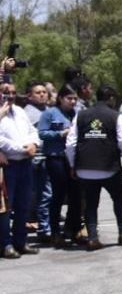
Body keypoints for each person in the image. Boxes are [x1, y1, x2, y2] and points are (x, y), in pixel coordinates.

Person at [67, 85, 122, 251]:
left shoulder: (81, 115)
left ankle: (92, 238)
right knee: (118, 200)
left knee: (91, 204)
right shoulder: (116, 116)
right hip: (109, 167)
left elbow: (70, 143)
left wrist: (72, 165)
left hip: (85, 168)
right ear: (111, 98)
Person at [0, 81, 41, 258]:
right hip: (8, 166)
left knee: (23, 205)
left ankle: (20, 241)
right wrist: (22, 149)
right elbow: (1, 140)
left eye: (13, 92)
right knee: (5, 209)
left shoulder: (20, 111)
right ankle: (5, 244)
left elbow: (33, 131)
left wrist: (33, 144)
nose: (10, 95)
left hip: (25, 165)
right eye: (5, 92)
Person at [38, 87, 79, 248]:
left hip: (72, 159)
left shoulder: (75, 114)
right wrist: (60, 134)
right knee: (58, 196)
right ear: (60, 98)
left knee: (75, 196)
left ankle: (74, 230)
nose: (73, 102)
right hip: (56, 158)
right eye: (69, 98)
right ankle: (55, 233)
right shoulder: (49, 113)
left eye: (75, 98)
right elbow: (42, 133)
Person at [23, 81, 52, 242]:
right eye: (38, 92)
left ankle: (45, 226)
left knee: (46, 195)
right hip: (35, 160)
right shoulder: (27, 113)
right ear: (29, 96)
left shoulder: (50, 110)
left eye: (44, 92)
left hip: (49, 158)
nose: (42, 95)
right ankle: (43, 228)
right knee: (40, 195)